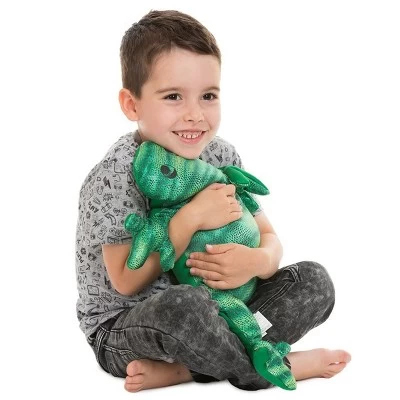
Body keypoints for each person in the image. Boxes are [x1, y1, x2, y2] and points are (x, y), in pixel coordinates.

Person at [75, 9, 351, 393]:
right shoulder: (116, 175)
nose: (195, 114)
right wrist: (190, 218)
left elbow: (269, 238)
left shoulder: (221, 155)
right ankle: (273, 366)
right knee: (185, 306)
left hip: (225, 313)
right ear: (132, 105)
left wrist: (257, 261)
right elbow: (125, 281)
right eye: (173, 96)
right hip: (130, 326)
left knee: (314, 281)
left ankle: (185, 371)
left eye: (208, 96)